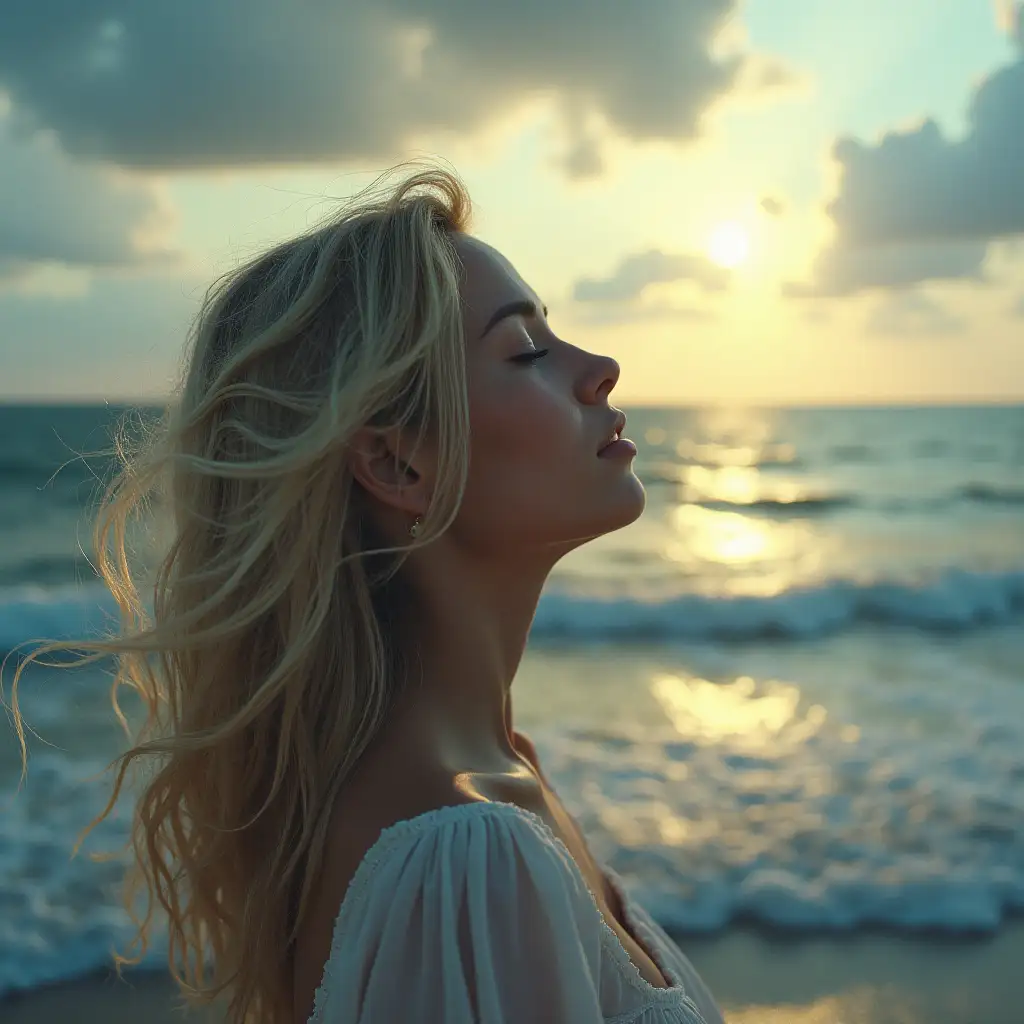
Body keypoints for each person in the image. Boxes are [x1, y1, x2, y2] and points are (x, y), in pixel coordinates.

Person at [6, 162, 723, 1024]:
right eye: (525, 350)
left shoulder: (501, 778)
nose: (601, 368)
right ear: (397, 462)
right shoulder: (466, 851)